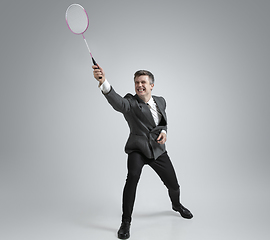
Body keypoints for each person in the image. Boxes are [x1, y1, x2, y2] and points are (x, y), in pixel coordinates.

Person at [92, 65, 193, 239]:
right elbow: (117, 102)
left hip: (158, 150)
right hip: (137, 149)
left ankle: (176, 205)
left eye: (143, 82)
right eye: (137, 82)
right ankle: (125, 222)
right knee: (132, 179)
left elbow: (162, 122)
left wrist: (164, 132)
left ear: (151, 85)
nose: (140, 85)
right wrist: (103, 82)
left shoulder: (161, 101)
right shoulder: (130, 102)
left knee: (173, 185)